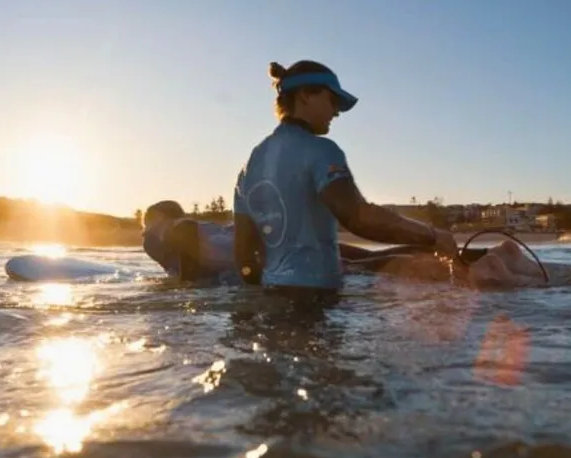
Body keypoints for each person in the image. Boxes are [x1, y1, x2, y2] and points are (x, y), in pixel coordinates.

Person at [231, 59, 545, 296]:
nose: (337, 112)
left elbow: (244, 255)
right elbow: (358, 218)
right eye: (332, 100)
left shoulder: (250, 164)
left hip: (273, 296)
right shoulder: (320, 150)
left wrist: (266, 295)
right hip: (318, 298)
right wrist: (431, 235)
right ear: (305, 96)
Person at [142, 199, 547, 288]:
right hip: (290, 244)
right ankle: (488, 258)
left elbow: (169, 235)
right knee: (374, 261)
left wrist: (185, 285)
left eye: (149, 222)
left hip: (280, 260)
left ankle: (482, 270)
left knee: (370, 270)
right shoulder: (204, 229)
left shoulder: (171, 229)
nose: (148, 231)